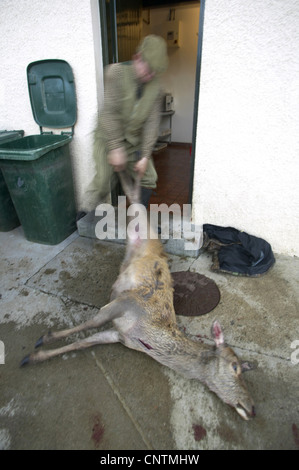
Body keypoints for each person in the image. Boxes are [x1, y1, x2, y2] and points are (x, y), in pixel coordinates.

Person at [87, 35, 169, 209]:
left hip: (133, 142)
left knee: (149, 177)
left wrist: (146, 155)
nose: (150, 76)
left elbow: (152, 124)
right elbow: (109, 113)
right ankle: (82, 216)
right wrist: (115, 146)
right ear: (137, 58)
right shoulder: (115, 73)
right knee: (102, 181)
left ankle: (137, 220)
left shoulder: (157, 89)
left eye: (154, 72)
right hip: (107, 136)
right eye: (148, 71)